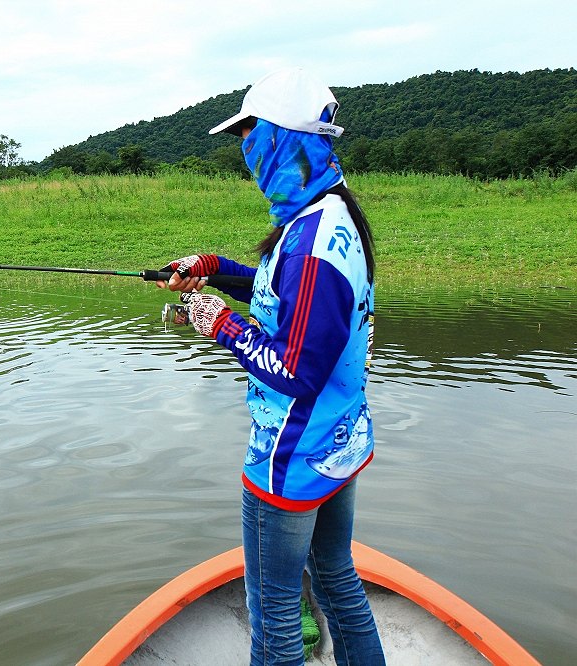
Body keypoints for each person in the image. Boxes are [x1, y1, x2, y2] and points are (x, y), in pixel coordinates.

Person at [157, 67, 385, 665]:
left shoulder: (311, 243)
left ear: (284, 136)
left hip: (291, 457)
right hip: (337, 440)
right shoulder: (327, 215)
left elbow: (293, 371)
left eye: (251, 135)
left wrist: (218, 323)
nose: (247, 152)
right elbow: (284, 296)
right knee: (337, 580)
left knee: (277, 615)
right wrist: (212, 267)